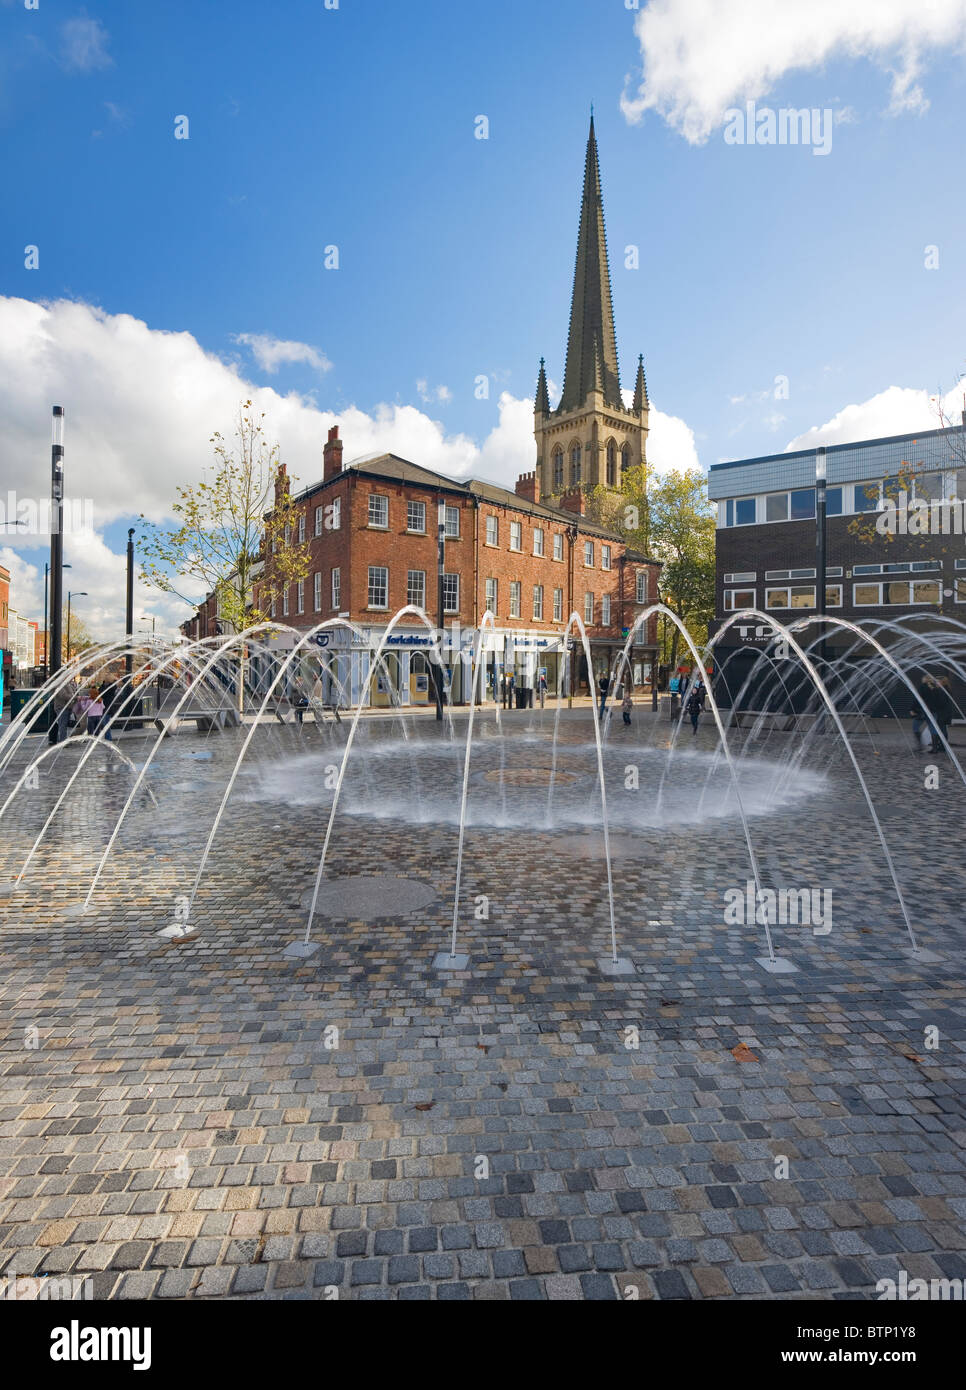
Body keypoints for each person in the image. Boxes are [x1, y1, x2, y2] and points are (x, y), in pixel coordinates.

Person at [48, 679, 76, 745]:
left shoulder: (67, 684)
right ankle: (63, 742)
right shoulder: (60, 685)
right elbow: (63, 696)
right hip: (61, 707)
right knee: (62, 725)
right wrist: (74, 697)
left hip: (67, 707)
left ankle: (64, 740)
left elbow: (72, 693)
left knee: (65, 725)